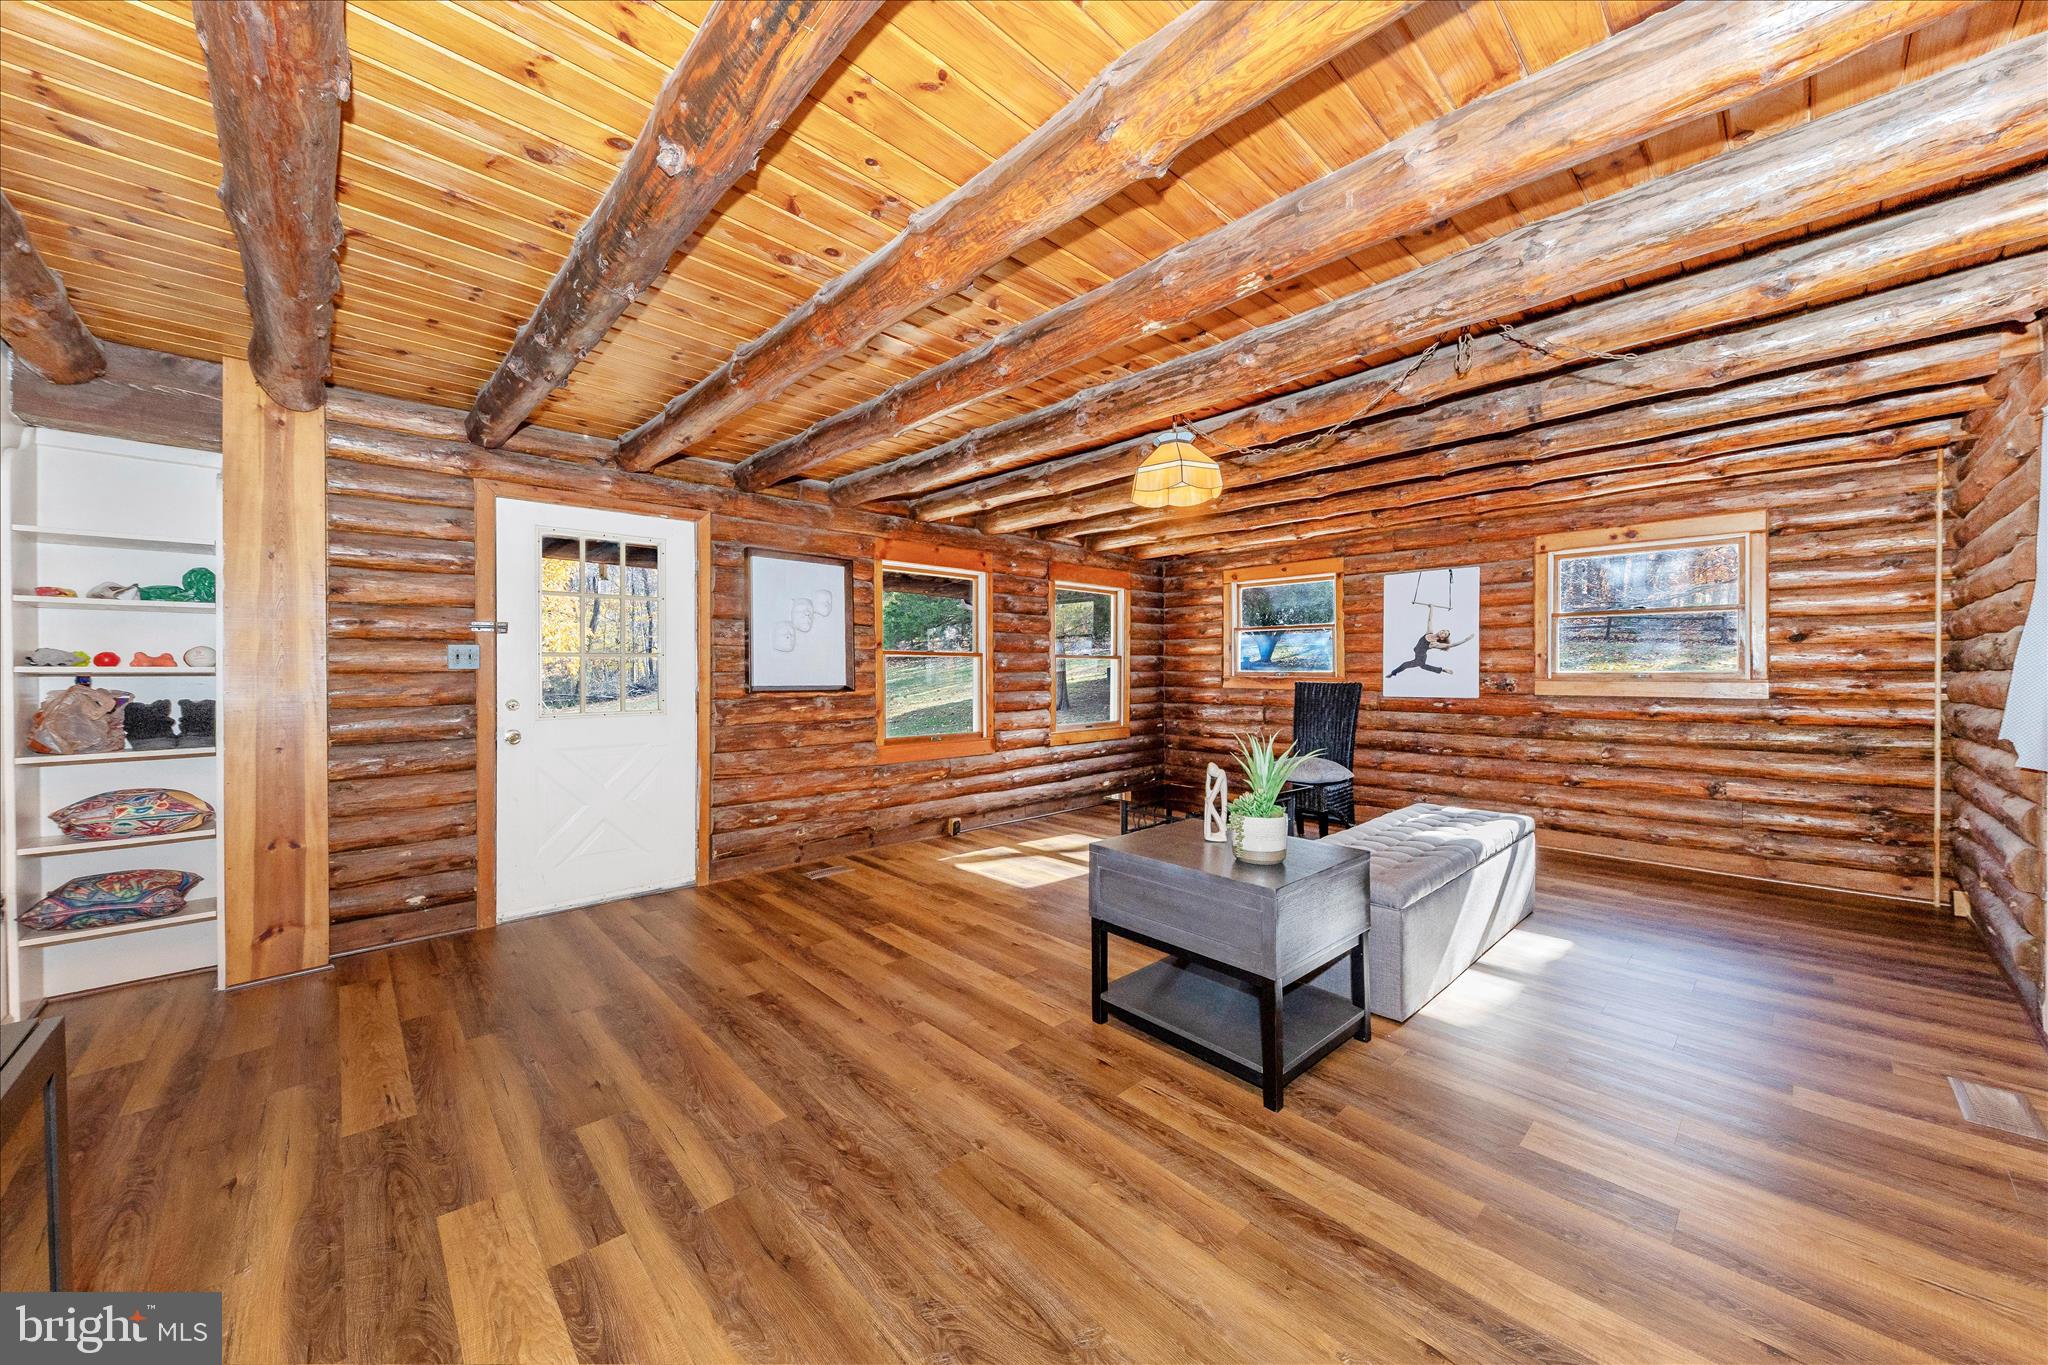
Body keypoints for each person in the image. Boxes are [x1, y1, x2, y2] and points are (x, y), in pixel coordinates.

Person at [1387, 627, 1471, 678]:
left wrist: (1464, 640)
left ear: (1442, 638)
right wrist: (1431, 607)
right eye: (1443, 630)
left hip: (1421, 657)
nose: (1443, 632)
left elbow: (1451, 645)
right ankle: (1442, 670)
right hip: (1417, 652)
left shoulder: (1435, 643)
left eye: (1444, 634)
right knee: (1422, 666)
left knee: (1407, 665)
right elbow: (1430, 619)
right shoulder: (1429, 632)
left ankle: (1392, 673)